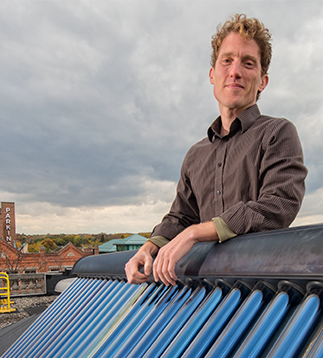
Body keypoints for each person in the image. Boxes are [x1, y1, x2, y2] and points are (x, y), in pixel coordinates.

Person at [125, 14, 307, 286]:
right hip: (205, 293)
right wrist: (149, 247)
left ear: (262, 82)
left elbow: (278, 205)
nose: (235, 71)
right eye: (227, 60)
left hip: (257, 292)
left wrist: (196, 233)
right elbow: (181, 216)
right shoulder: (195, 154)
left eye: (248, 63)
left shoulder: (277, 133)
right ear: (212, 75)